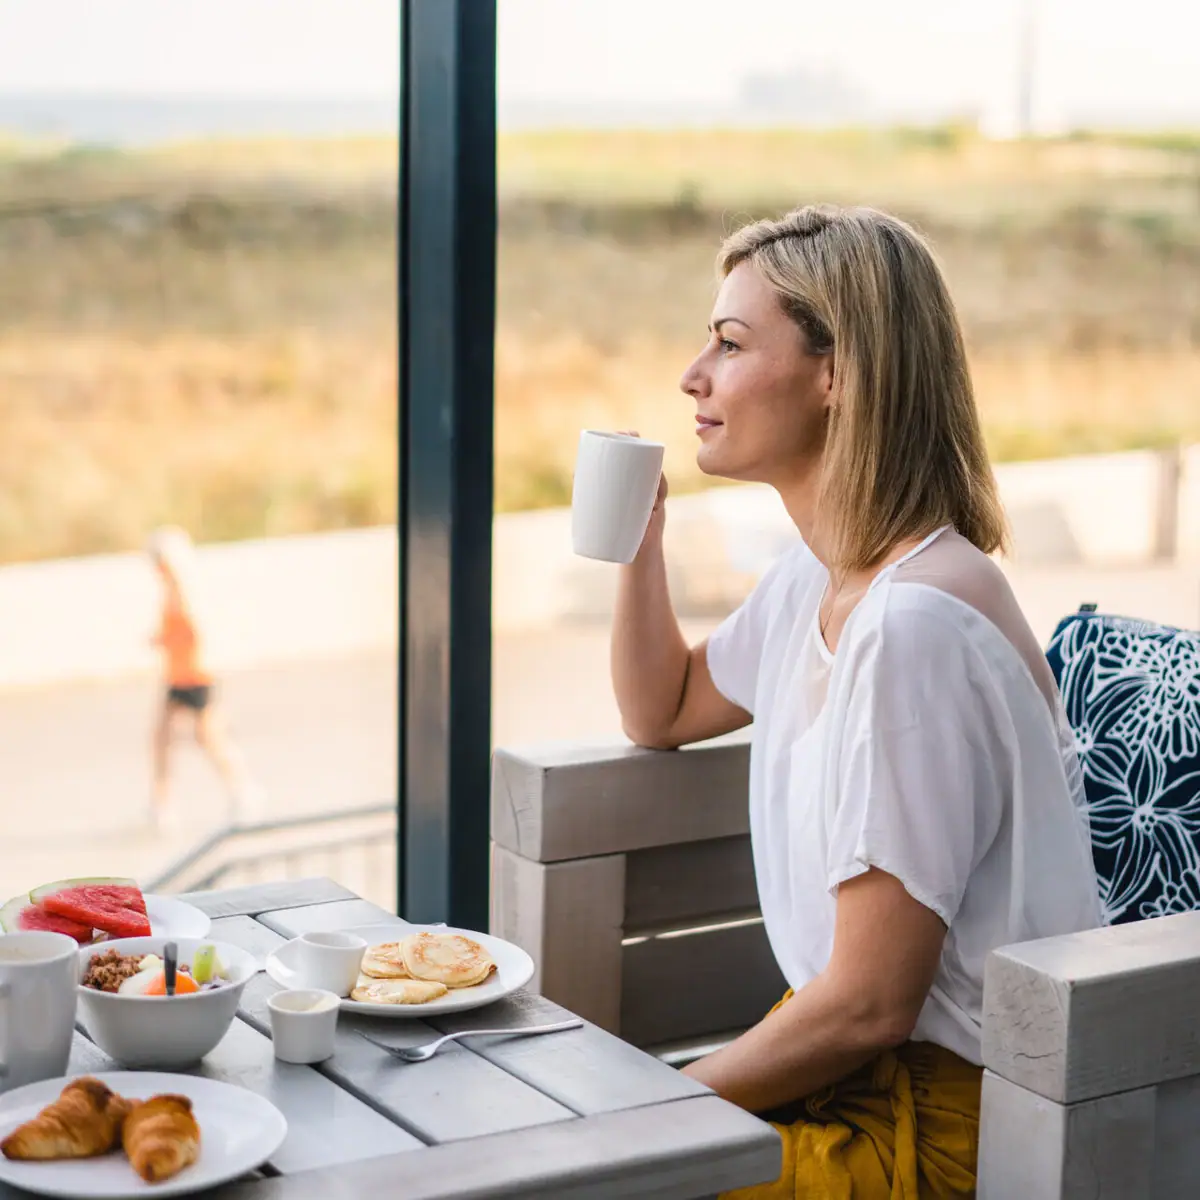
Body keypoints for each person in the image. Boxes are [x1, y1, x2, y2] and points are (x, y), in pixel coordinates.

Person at [611, 204, 1101, 1198]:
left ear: (837, 376)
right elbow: (661, 708)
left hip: (942, 1134)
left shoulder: (914, 624)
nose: (692, 375)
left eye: (731, 342)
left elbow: (871, 1006)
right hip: (852, 1083)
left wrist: (647, 1115)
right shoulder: (824, 578)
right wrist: (637, 539)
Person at [146, 526, 257, 829]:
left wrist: (169, 641)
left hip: (195, 677)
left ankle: (243, 791)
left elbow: (197, 630)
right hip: (178, 677)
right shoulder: (171, 588)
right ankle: (162, 803)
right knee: (162, 740)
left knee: (209, 738)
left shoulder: (183, 586)